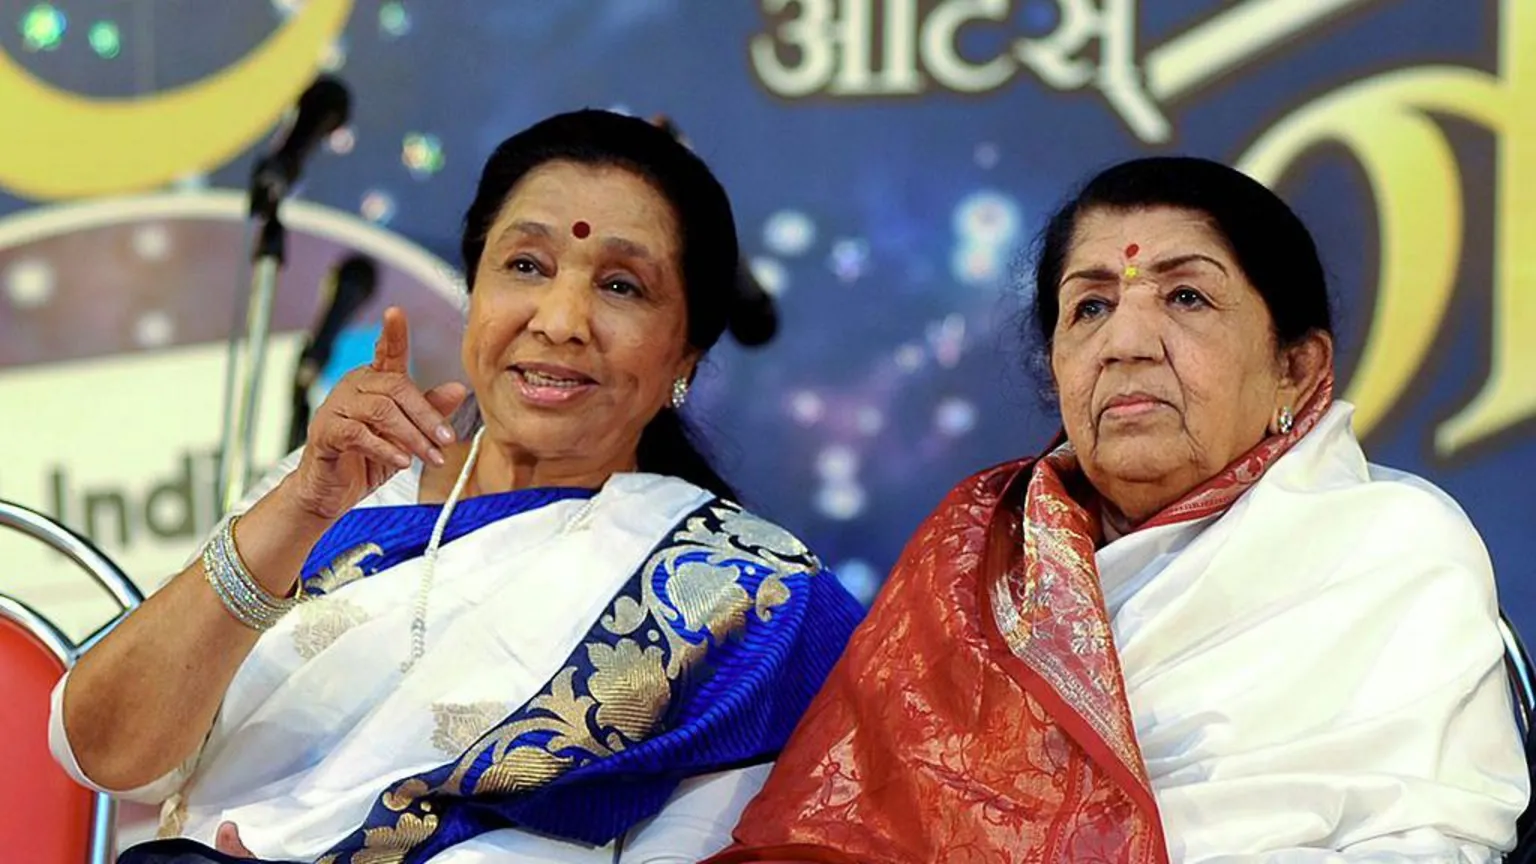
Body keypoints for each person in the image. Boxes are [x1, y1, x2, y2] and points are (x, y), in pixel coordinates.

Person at [49, 109, 865, 864]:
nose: (560, 319)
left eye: (621, 286)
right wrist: (301, 506)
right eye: (525, 265)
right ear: (473, 291)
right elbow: (106, 755)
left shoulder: (744, 603)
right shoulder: (336, 499)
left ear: (686, 351)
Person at [709, 157, 1530, 863]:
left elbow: (1430, 844)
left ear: (1295, 368)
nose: (1126, 341)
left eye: (1186, 299)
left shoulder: (1390, 552)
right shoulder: (976, 565)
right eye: (1090, 307)